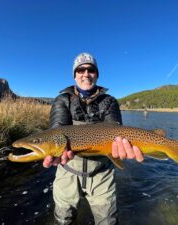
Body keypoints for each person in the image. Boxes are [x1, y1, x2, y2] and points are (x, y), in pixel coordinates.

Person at [43, 52, 144, 225]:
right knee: (62, 219)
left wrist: (120, 146)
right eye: (80, 70)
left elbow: (114, 129)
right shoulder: (63, 100)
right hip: (68, 170)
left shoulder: (110, 101)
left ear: (96, 74)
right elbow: (57, 128)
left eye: (90, 70)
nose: (85, 74)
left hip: (101, 173)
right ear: (74, 75)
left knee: (108, 221)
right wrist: (54, 150)